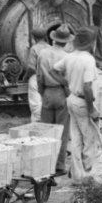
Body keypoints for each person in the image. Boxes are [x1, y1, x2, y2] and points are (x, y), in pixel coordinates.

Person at [52, 27, 100, 180]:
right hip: (83, 102)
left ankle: (77, 176)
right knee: (89, 138)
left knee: (76, 138)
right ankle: (87, 174)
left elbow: (54, 70)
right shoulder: (88, 60)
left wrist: (67, 83)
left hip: (72, 99)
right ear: (90, 43)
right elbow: (87, 87)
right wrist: (92, 109)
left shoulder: (70, 57)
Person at [37, 25, 74, 174]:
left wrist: (43, 93)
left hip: (46, 91)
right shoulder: (67, 56)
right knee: (62, 131)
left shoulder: (43, 53)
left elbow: (39, 76)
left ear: (53, 39)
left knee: (46, 131)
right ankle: (59, 165)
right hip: (61, 93)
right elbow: (68, 80)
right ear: (66, 42)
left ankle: (44, 164)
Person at [25, 27, 49, 125]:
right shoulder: (50, 48)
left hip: (36, 77)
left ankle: (37, 123)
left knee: (36, 104)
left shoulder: (34, 48)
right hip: (49, 78)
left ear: (34, 37)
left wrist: (25, 77)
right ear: (45, 36)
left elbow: (31, 68)